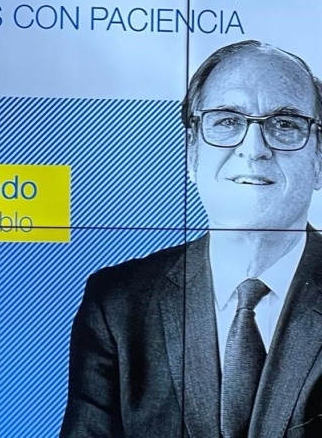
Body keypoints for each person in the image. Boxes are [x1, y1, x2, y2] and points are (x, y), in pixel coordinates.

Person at [61, 40, 322, 438]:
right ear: (191, 154)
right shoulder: (117, 305)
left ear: (319, 160)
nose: (253, 149)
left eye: (284, 124)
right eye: (227, 121)